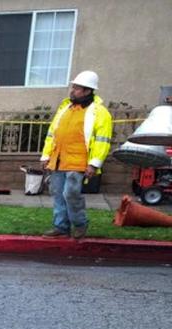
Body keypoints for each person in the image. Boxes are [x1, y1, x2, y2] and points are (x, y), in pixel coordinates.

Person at [40, 70, 113, 240]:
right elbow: (52, 134)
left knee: (71, 194)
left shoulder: (99, 113)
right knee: (58, 193)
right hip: (58, 160)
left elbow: (103, 141)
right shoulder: (65, 108)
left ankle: (80, 224)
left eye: (77, 88)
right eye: (73, 87)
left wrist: (94, 163)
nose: (72, 91)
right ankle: (61, 227)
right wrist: (46, 156)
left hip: (79, 161)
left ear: (88, 91)